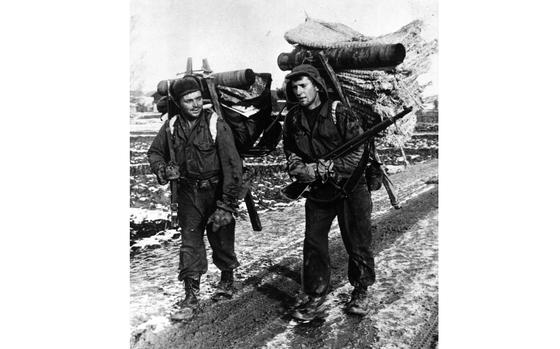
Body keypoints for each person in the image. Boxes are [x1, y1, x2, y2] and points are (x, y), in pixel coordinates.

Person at [282, 64, 376, 321]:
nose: (299, 92)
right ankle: (315, 295)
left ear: (317, 86)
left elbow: (359, 152)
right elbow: (290, 149)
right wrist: (300, 169)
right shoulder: (292, 118)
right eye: (294, 87)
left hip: (350, 189)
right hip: (318, 192)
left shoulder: (339, 112)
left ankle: (360, 290)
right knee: (313, 243)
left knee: (357, 241)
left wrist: (328, 167)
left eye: (303, 85)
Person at [147, 76, 243, 320]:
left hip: (216, 190)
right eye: (188, 100)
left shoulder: (215, 124)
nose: (195, 104)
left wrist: (226, 204)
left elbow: (233, 166)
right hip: (188, 193)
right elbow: (155, 152)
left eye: (199, 99)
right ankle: (190, 295)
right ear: (179, 103)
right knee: (190, 243)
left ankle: (227, 278)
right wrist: (163, 170)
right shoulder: (171, 126)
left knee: (221, 237)